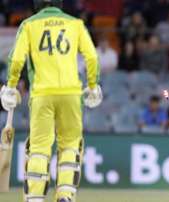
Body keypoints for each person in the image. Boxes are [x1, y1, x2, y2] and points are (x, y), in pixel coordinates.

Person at [1, 0, 102, 201]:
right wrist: (92, 86)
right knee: (71, 145)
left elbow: (16, 59)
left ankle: (36, 197)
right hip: (72, 94)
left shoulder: (29, 24)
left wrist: (11, 87)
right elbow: (92, 57)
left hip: (42, 94)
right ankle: (65, 194)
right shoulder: (76, 24)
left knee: (39, 148)